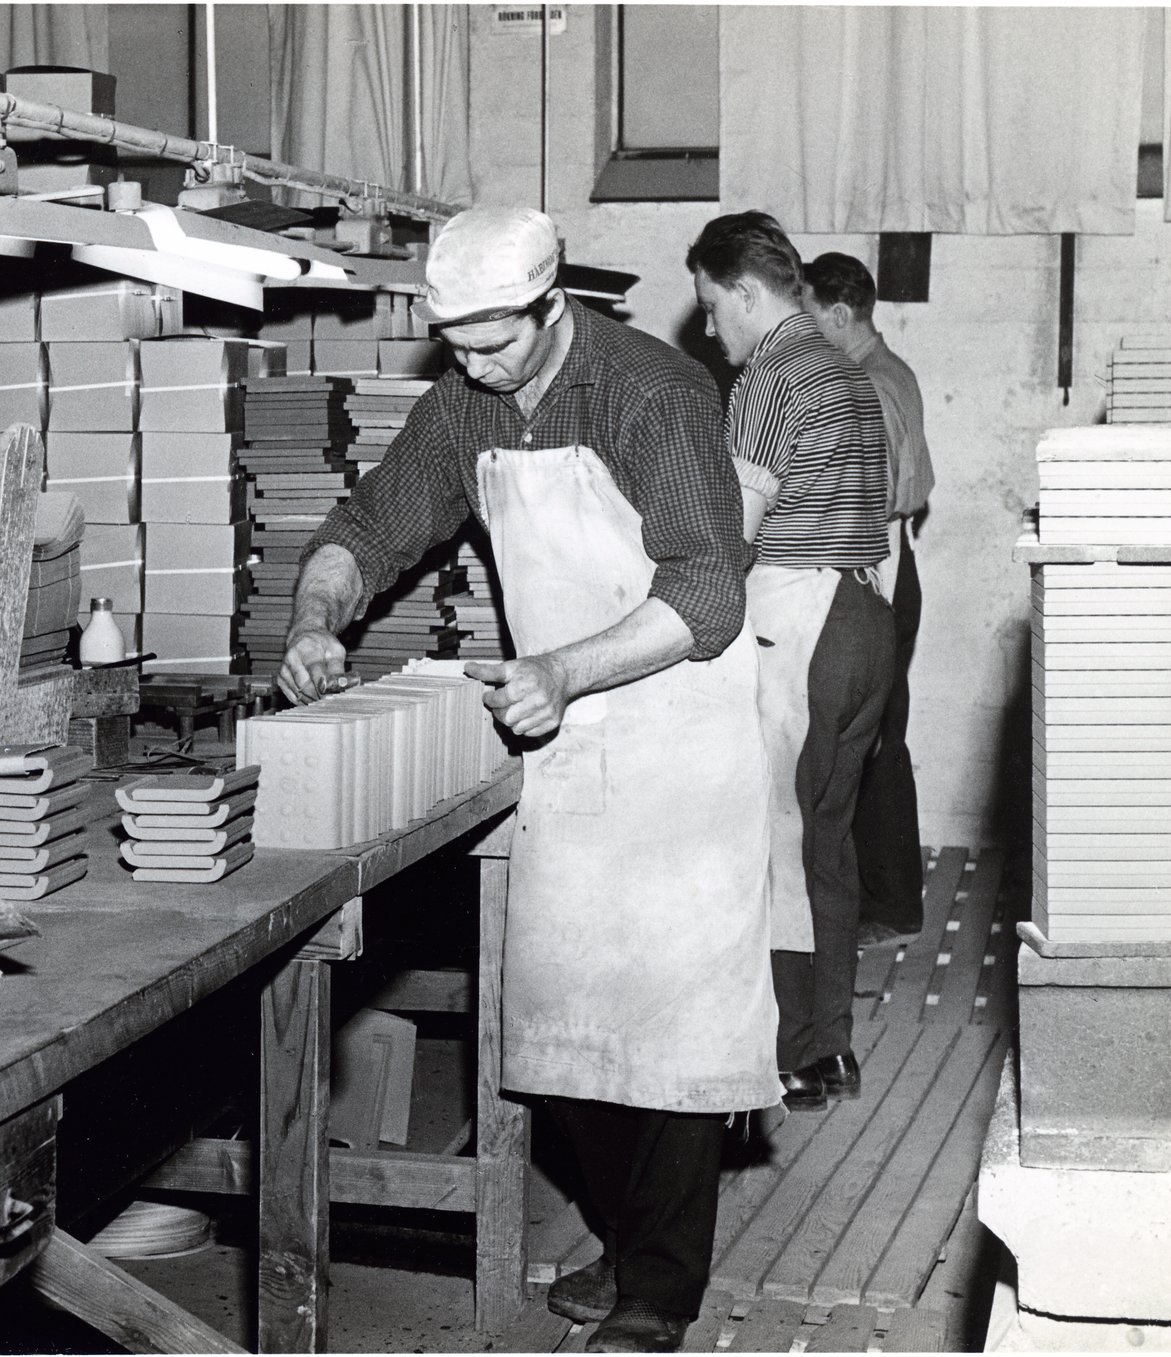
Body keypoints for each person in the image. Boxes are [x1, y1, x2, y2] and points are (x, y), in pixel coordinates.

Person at [281, 204, 780, 1354]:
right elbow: (377, 518)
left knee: (668, 1039)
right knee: (560, 1030)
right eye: (454, 342)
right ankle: (627, 1239)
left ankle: (660, 1286)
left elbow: (708, 594)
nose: (472, 365)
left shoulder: (654, 392)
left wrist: (561, 667)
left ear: (555, 305)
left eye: (495, 339)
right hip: (565, 738)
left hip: (674, 732)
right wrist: (318, 613)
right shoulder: (467, 401)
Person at [685, 213, 893, 1113]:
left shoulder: (769, 376)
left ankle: (789, 1057)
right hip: (863, 618)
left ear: (743, 292)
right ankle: (833, 1046)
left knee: (774, 843)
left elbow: (733, 535)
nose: (705, 330)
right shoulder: (849, 375)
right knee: (829, 842)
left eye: (707, 306)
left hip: (797, 620)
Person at [802, 252, 935, 945]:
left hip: (873, 572)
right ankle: (892, 899)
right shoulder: (895, 371)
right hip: (893, 566)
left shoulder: (862, 386)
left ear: (838, 313)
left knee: (869, 742)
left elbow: (866, 500)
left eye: (807, 314)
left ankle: (887, 907)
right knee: (882, 733)